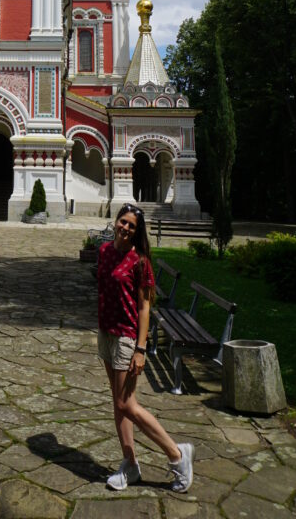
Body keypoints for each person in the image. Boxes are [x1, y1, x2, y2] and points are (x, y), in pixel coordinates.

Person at [97, 203, 194, 492]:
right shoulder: (104, 252)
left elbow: (144, 306)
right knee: (118, 403)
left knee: (127, 403)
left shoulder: (140, 261)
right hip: (107, 334)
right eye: (122, 222)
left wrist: (141, 348)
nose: (125, 228)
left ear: (137, 233)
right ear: (115, 222)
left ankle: (177, 455)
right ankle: (130, 464)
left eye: (131, 226)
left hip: (128, 338)